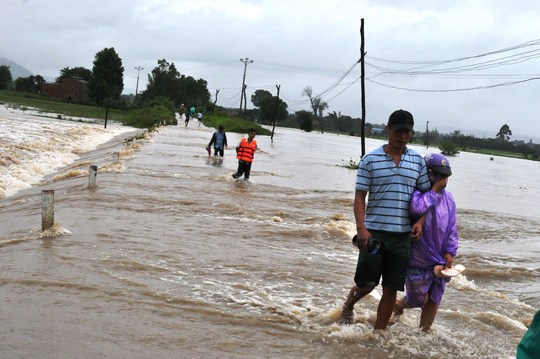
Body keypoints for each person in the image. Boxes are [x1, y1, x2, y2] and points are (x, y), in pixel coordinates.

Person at [339, 109, 431, 330]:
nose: (402, 136)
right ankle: (349, 305)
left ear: (411, 133)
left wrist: (420, 222)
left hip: (402, 237)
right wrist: (361, 228)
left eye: (407, 131)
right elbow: (360, 197)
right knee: (366, 284)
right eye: (398, 131)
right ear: (388, 129)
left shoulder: (417, 162)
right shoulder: (370, 160)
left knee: (391, 288)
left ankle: (378, 334)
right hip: (374, 234)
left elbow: (426, 197)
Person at [393, 153, 458, 331]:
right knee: (418, 298)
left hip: (439, 255)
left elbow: (452, 227)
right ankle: (398, 306)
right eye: (438, 175)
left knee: (434, 297)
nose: (442, 180)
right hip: (419, 255)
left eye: (445, 176)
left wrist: (450, 251)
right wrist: (433, 191)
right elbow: (416, 209)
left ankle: (424, 332)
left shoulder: (449, 198)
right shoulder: (417, 192)